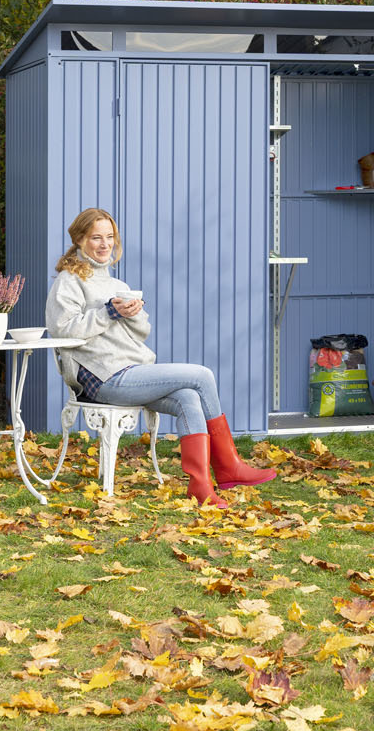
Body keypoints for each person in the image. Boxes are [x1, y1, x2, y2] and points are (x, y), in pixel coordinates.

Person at [44, 207, 275, 507]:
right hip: (102, 380)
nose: (104, 245)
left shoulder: (118, 286)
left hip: (132, 372)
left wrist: (133, 312)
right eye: (96, 238)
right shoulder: (68, 281)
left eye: (109, 237)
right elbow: (62, 329)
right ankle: (228, 466)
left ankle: (201, 487)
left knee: (189, 398)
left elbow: (141, 333)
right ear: (79, 240)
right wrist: (109, 312)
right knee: (202, 375)